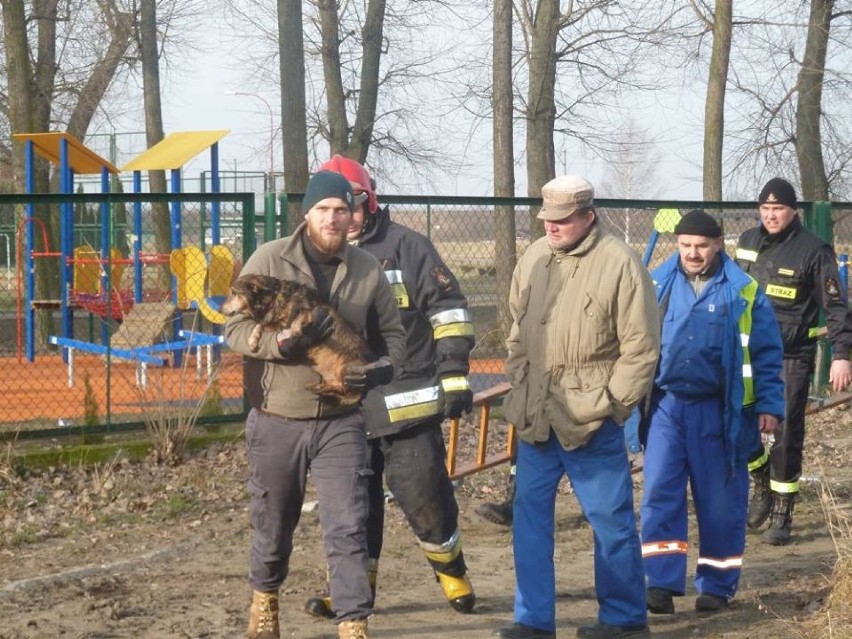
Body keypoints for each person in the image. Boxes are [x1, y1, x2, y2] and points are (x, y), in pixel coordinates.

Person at [225, 170, 406, 639]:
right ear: (306, 213)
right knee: (273, 521)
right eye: (323, 209)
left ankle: (352, 622)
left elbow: (392, 334)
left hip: (341, 419)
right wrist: (280, 344)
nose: (332, 218)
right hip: (277, 416)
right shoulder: (270, 259)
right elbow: (234, 329)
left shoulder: (366, 268)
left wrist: (386, 367)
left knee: (348, 523)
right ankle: (264, 602)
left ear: (353, 216)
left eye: (341, 209)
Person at [303, 155, 477, 617]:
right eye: (332, 206)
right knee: (351, 510)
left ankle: (452, 572)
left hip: (407, 407)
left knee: (425, 497)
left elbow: (449, 310)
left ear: (370, 201)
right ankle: (355, 593)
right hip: (345, 412)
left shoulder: (408, 248)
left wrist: (454, 372)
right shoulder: (312, 258)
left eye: (352, 204)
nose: (344, 216)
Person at [493, 175, 660, 639]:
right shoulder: (533, 259)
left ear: (589, 216)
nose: (553, 227)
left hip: (593, 421)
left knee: (610, 523)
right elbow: (515, 329)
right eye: (548, 218)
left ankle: (625, 620)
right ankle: (532, 620)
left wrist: (611, 404)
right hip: (536, 417)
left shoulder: (620, 263)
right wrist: (520, 380)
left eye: (563, 219)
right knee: (528, 521)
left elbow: (642, 347)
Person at [640, 210, 784, 617]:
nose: (693, 253)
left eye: (701, 246)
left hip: (720, 412)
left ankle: (717, 585)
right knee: (659, 494)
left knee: (720, 501)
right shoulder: (656, 282)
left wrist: (770, 405)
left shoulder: (744, 290)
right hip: (666, 407)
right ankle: (662, 583)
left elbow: (768, 353)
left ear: (719, 244)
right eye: (685, 246)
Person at [735, 178, 852, 545]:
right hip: (746, 354)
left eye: (779, 209)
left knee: (786, 434)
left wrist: (842, 356)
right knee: (739, 426)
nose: (771, 215)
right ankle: (761, 483)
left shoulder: (815, 251)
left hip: (790, 357)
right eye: (765, 209)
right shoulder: (747, 242)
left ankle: (783, 511)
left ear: (793, 211)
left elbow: (836, 308)